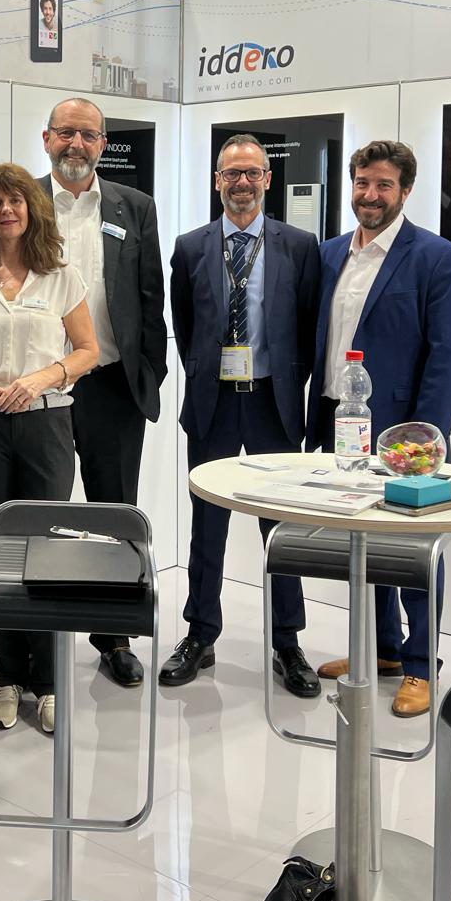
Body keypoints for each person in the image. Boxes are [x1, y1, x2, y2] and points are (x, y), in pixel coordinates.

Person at [308, 141, 451, 719]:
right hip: (340, 423)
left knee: (415, 549)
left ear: (405, 191)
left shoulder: (437, 257)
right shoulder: (329, 254)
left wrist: (427, 437)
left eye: (383, 185)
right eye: (362, 183)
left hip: (406, 434)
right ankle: (381, 651)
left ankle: (422, 664)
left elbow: (448, 354)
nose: (370, 195)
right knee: (363, 540)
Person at [159, 135, 322, 698]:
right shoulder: (190, 247)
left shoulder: (299, 246)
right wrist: (208, 372)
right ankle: (200, 634)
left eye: (252, 173)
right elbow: (186, 324)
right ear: (217, 181)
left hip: (274, 403)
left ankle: (287, 642)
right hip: (214, 402)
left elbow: (307, 326)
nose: (242, 183)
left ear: (268, 180)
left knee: (281, 528)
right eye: (232, 173)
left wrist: (288, 383)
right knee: (208, 525)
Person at [0, 163, 100, 733]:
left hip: (46, 426)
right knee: (0, 551)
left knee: (46, 552)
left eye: (16, 201)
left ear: (33, 209)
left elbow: (87, 351)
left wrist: (42, 378)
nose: (6, 210)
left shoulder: (60, 274)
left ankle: (51, 680)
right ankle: (8, 674)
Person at [35, 98, 167, 688]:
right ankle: (36, 644)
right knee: (42, 514)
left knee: (114, 514)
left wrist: (150, 373)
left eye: (88, 135)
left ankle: (112, 636)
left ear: (103, 144)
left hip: (111, 384)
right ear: (47, 139)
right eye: (66, 133)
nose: (77, 144)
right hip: (39, 387)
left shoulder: (133, 206)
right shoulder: (21, 200)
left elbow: (149, 296)